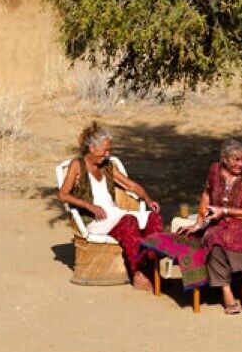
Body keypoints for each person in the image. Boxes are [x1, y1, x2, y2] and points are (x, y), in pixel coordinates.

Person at [57, 122, 163, 291]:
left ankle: (150, 268)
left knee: (153, 218)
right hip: (97, 221)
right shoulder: (77, 165)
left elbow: (131, 186)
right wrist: (89, 206)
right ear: (91, 148)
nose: (107, 154)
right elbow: (62, 195)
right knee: (129, 222)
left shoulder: (107, 166)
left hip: (114, 215)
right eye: (104, 150)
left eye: (109, 150)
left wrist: (148, 200)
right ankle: (138, 272)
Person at [188, 138, 242, 314]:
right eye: (236, 159)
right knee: (215, 241)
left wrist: (224, 211)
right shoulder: (214, 170)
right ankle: (227, 293)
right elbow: (206, 195)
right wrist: (198, 223)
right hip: (219, 224)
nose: (240, 164)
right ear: (225, 158)